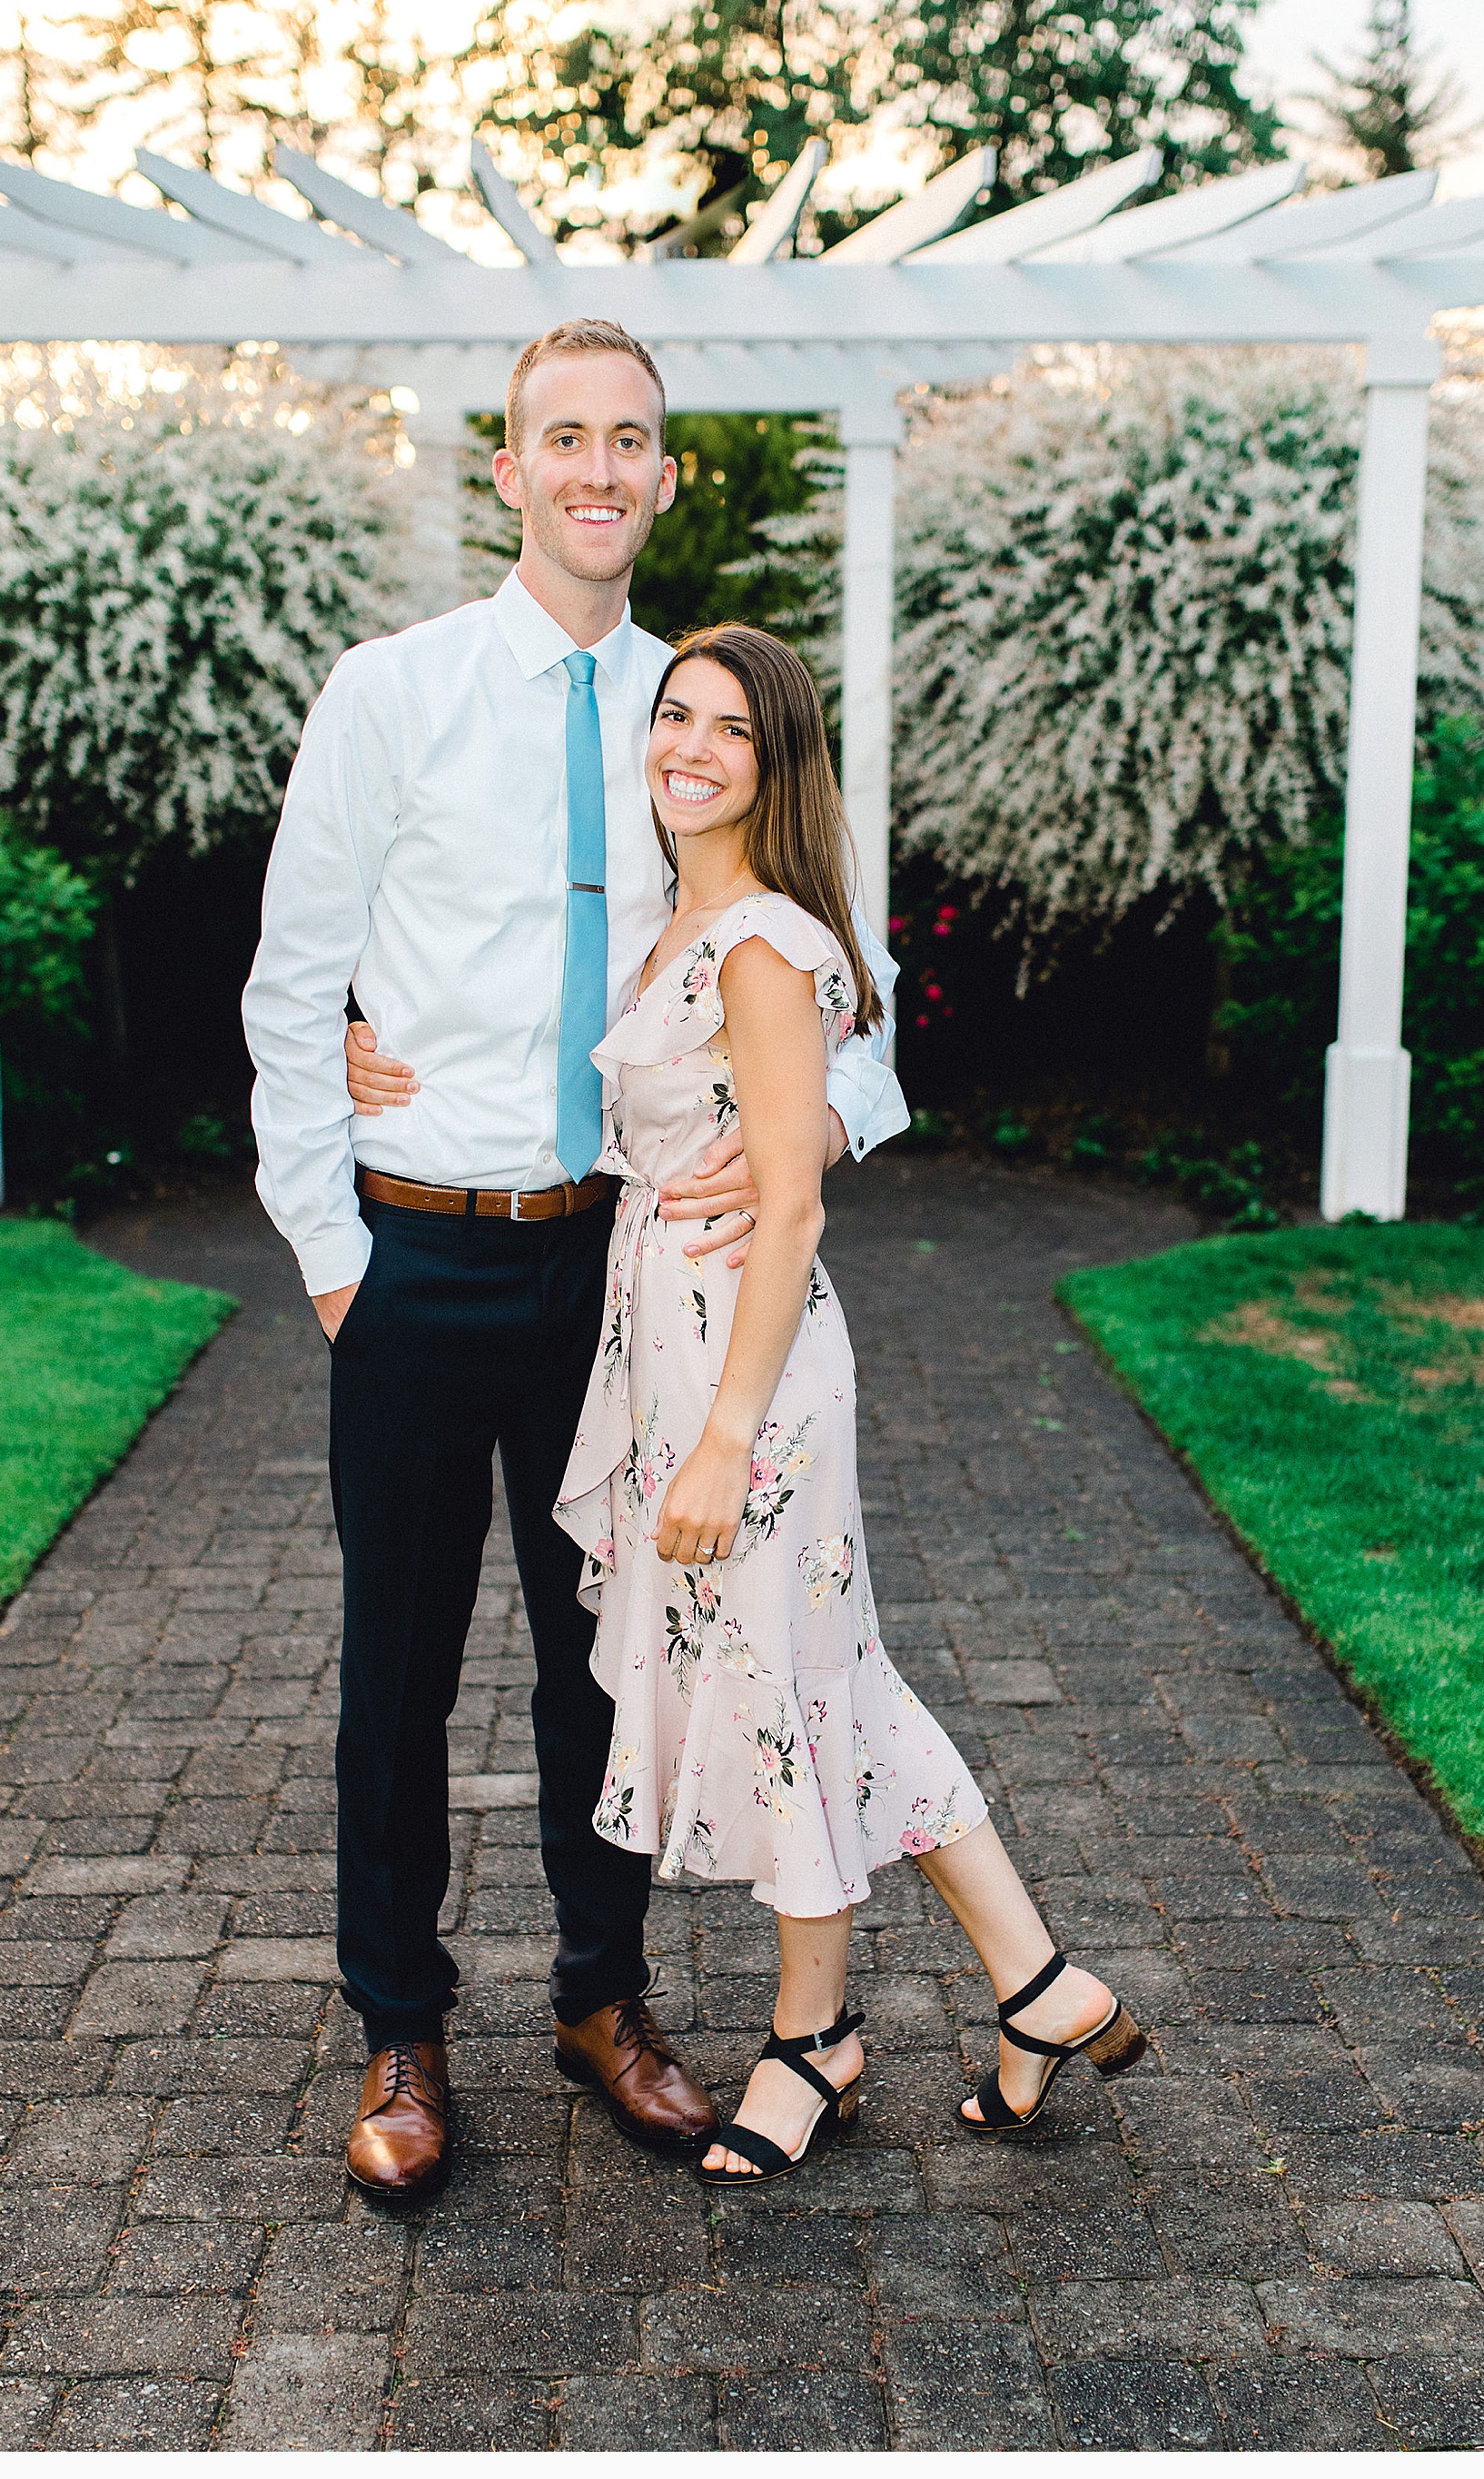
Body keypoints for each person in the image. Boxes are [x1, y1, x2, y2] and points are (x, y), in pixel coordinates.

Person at [241, 319, 909, 2200]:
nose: (598, 469)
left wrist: (817, 1131)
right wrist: (328, 1250)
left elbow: (841, 999)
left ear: (667, 475)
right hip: (411, 1257)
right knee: (396, 1669)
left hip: (616, 1275)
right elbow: (297, 990)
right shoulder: (394, 692)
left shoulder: (702, 718)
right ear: (510, 467)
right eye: (564, 438)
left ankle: (602, 2000)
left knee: (603, 1661)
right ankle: (400, 2024)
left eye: (632, 440)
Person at [551, 624, 1148, 2181]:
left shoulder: (759, 940)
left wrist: (726, 1433)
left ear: (777, 760)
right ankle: (1035, 1984)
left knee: (782, 1688)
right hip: (682, 1344)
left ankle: (816, 2038)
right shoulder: (687, 922)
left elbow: (796, 1211)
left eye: (727, 728)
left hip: (751, 1379)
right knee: (828, 1678)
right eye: (672, 713)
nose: (687, 742)